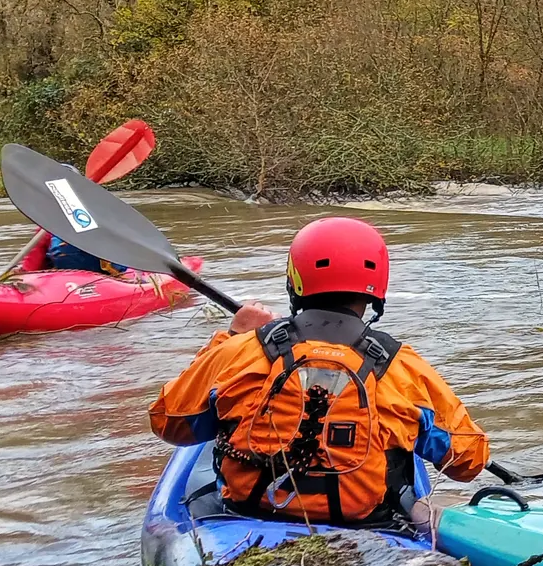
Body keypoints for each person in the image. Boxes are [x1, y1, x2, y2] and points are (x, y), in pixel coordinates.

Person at [149, 216, 486, 525]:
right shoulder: (402, 366)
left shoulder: (241, 350)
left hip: (246, 514)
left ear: (295, 280)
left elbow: (170, 423)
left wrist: (230, 338)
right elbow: (467, 461)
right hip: (365, 525)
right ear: (376, 289)